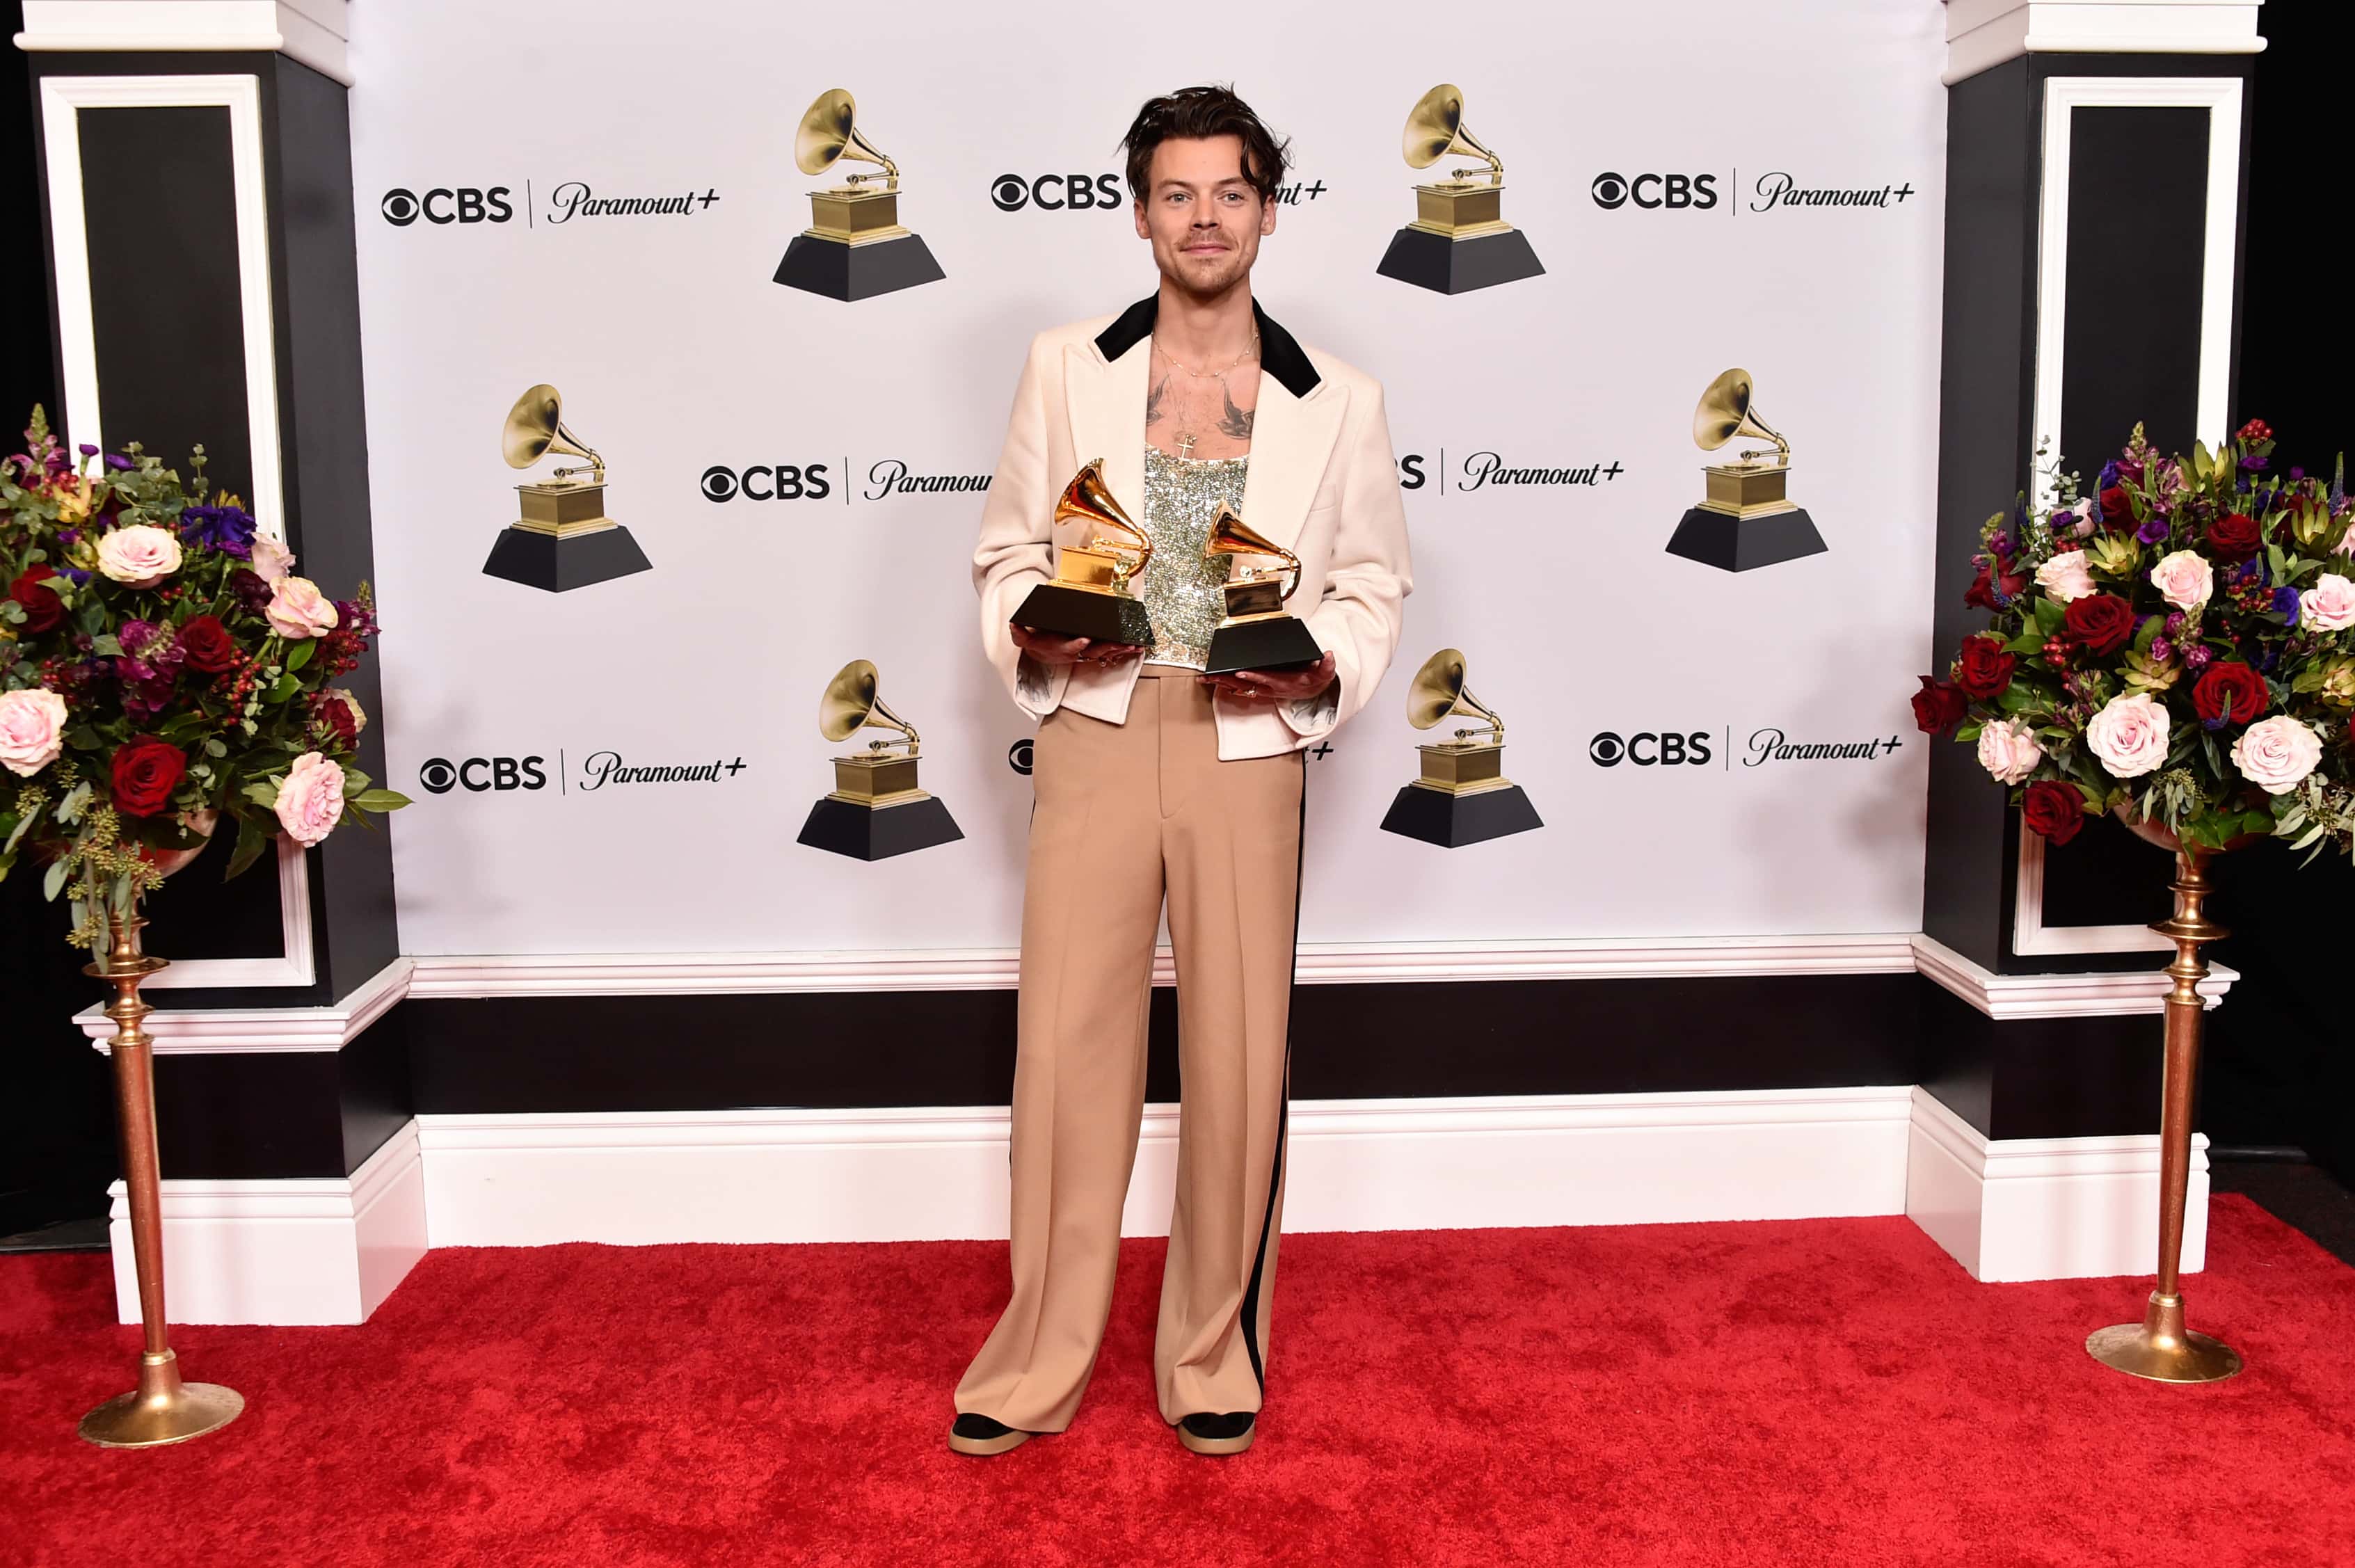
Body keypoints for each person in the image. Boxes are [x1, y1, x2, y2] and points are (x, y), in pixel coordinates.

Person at [955, 84, 1411, 1457]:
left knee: (1233, 1055)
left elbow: (1376, 584)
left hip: (1245, 746)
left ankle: (1212, 1345)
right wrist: (1029, 621)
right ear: (1138, 209)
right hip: (1095, 729)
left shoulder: (1339, 396)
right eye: (1175, 192)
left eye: (1229, 192)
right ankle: (1036, 1357)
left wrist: (1318, 661)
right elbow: (1004, 556)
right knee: (1065, 1053)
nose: (1202, 217)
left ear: (1267, 210)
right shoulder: (1063, 365)